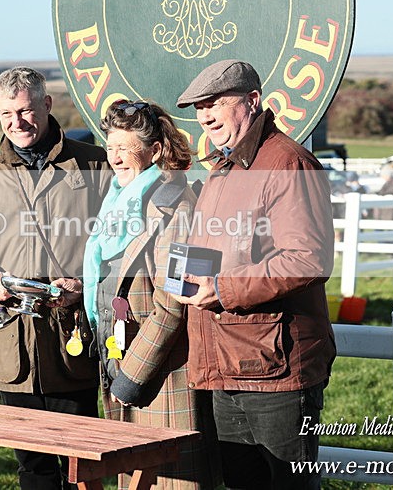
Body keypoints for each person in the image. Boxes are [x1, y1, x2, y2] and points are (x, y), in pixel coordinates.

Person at [173, 60, 336, 490]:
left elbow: (308, 258)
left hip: (276, 368)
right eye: (198, 107)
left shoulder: (287, 163)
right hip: (228, 361)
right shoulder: (222, 168)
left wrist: (223, 289)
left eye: (215, 103)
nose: (205, 115)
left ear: (252, 101)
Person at [0, 66, 112, 490]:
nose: (17, 123)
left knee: (83, 465)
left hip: (72, 342)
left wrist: (81, 284)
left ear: (47, 104)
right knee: (33, 468)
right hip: (13, 347)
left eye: (25, 110)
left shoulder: (95, 164)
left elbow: (119, 245)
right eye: (7, 114)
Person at [82, 100, 220, 489]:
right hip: (120, 365)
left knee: (168, 482)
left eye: (126, 148)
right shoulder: (116, 201)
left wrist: (131, 376)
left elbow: (173, 304)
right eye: (111, 147)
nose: (115, 158)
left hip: (161, 378)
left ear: (155, 150)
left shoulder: (177, 207)